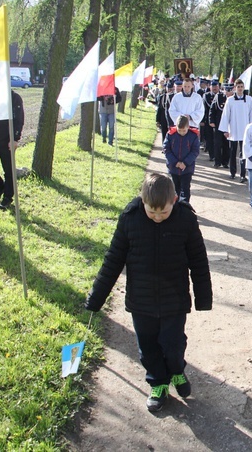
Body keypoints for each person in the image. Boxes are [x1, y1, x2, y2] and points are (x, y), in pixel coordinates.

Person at [85, 172, 212, 413]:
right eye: (151, 212)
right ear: (142, 200)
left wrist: (203, 297)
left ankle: (176, 370)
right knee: (148, 346)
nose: (157, 217)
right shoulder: (130, 218)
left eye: (163, 212)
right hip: (141, 300)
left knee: (173, 345)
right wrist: (96, 297)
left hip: (174, 299)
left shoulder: (185, 219)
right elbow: (113, 259)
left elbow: (198, 259)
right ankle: (158, 382)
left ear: (174, 200)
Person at [218, 78, 252, 182]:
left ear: (244, 88)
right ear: (235, 88)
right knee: (232, 152)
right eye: (238, 87)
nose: (240, 89)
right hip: (233, 130)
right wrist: (225, 130)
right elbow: (226, 115)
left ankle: (243, 174)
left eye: (242, 87)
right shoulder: (230, 100)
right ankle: (232, 172)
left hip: (245, 130)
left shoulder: (249, 99)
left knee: (243, 153)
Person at [0, 90, 24, 210]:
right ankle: (0, 186)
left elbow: (19, 120)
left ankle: (7, 198)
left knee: (9, 170)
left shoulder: (15, 98)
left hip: (7, 141)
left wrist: (15, 139)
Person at [163, 115, 200, 204]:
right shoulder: (171, 134)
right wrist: (175, 162)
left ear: (188, 127)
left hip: (187, 168)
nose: (182, 132)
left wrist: (185, 163)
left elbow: (195, 151)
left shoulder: (193, 136)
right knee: (175, 189)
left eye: (184, 130)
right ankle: (175, 207)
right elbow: (166, 149)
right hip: (174, 167)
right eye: (179, 130)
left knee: (185, 189)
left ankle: (185, 207)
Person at [204, 79, 229, 167]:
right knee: (218, 143)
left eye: (230, 90)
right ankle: (217, 162)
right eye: (227, 90)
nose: (228, 92)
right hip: (219, 123)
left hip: (228, 125)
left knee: (226, 144)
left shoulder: (233, 98)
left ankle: (225, 162)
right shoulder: (219, 97)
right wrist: (211, 121)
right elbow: (212, 109)